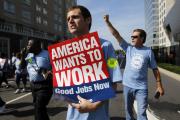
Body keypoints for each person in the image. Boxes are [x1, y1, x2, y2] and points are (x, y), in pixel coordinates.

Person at [66, 5, 122, 120]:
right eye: (68, 19)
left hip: (98, 116)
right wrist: (74, 104)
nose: (70, 21)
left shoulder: (107, 46)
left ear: (88, 20)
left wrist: (93, 105)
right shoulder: (65, 51)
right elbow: (64, 88)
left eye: (75, 17)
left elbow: (114, 82)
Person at [104, 15, 164, 120]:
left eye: (135, 36)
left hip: (141, 88)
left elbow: (155, 69)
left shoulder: (148, 52)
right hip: (127, 86)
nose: (132, 38)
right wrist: (108, 23)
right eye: (132, 36)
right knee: (128, 112)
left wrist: (159, 85)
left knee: (141, 114)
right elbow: (116, 35)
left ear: (142, 38)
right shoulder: (128, 48)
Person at [22, 39, 53, 120]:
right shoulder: (29, 55)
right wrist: (22, 56)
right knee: (39, 108)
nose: (27, 46)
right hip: (33, 85)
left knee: (39, 108)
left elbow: (56, 67)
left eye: (30, 44)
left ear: (37, 46)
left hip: (45, 85)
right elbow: (22, 66)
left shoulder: (47, 54)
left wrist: (48, 72)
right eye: (27, 44)